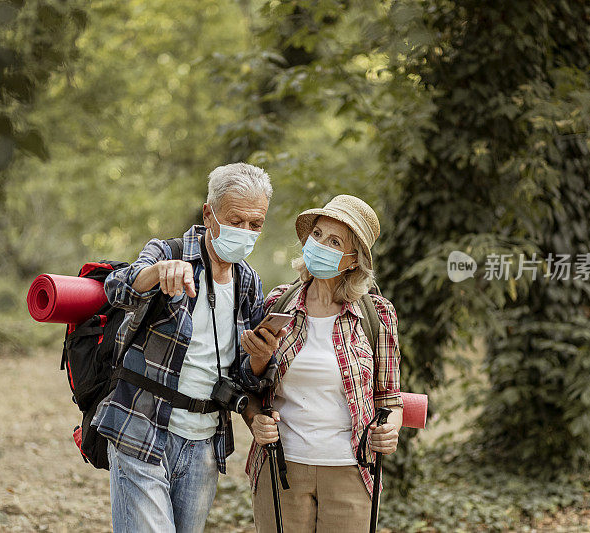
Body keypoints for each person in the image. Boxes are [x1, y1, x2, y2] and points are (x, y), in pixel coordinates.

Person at [92, 163, 283, 533]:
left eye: (255, 224)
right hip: (141, 426)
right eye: (236, 220)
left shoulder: (248, 282)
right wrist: (158, 272)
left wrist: (260, 358)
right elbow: (118, 288)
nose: (245, 232)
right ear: (209, 213)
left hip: (205, 443)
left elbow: (244, 375)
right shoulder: (169, 251)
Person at [240, 194, 404, 533]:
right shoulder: (278, 303)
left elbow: (389, 398)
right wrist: (255, 418)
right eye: (317, 235)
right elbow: (251, 387)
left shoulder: (377, 315)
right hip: (281, 467)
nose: (320, 246)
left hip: (351, 471)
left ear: (354, 259)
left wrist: (392, 428)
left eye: (335, 242)